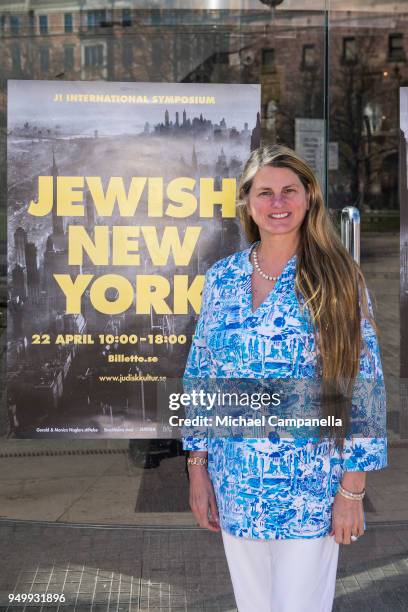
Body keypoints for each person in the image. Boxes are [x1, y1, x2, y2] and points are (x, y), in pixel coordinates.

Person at [181, 144, 387, 612]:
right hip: (235, 481)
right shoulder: (222, 278)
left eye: (289, 191)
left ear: (309, 197)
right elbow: (201, 377)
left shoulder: (337, 278)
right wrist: (198, 468)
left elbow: (363, 390)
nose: (278, 203)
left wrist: (352, 491)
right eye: (265, 193)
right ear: (248, 204)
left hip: (309, 486)